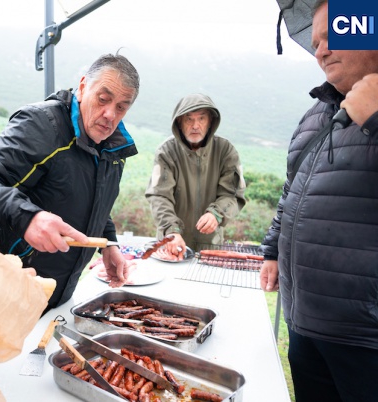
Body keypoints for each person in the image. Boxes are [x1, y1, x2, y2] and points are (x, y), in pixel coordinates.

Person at [259, 1, 378, 400]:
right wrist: (273, 249)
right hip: (304, 322)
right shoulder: (318, 113)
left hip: (366, 337)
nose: (321, 50)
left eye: (333, 37)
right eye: (315, 41)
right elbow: (293, 189)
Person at [0, 53, 140, 309]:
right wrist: (29, 218)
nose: (110, 115)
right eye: (103, 99)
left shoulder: (115, 148)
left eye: (122, 107)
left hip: (59, 293)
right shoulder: (41, 124)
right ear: (82, 87)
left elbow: (94, 201)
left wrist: (108, 243)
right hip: (6, 288)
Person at [144, 93, 246, 257]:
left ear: (211, 121)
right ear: (179, 122)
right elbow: (159, 196)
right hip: (171, 244)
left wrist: (216, 214)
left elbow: (233, 194)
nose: (195, 125)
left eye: (201, 119)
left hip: (211, 245)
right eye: (189, 119)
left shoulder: (226, 151)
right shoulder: (167, 151)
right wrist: (171, 231)